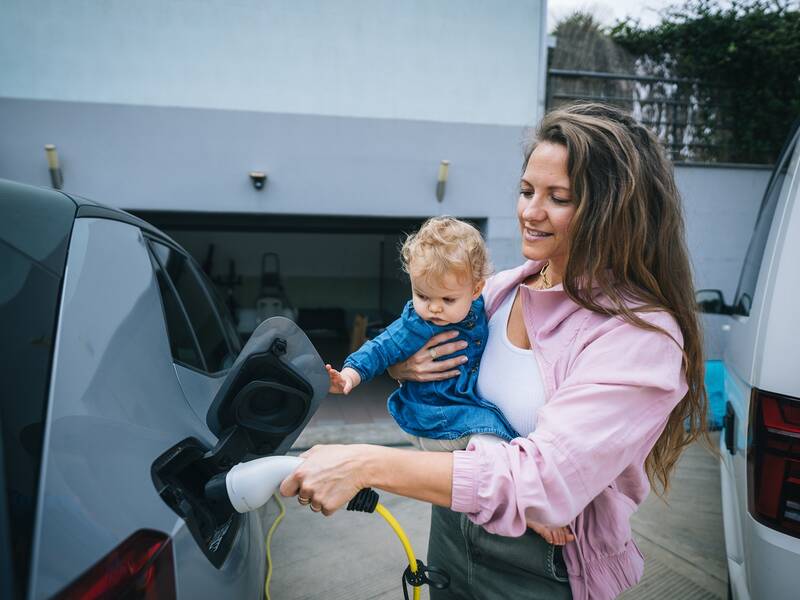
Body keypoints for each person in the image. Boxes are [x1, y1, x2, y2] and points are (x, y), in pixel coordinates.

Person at [280, 102, 708, 600]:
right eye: (527, 191)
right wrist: (403, 367)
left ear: (613, 212)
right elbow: (416, 334)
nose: (530, 211)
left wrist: (363, 463)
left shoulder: (640, 336)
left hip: (543, 564)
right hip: (452, 529)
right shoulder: (499, 291)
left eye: (559, 197)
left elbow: (544, 483)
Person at [326, 215, 572, 545]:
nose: (434, 309)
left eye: (446, 300)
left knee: (499, 437)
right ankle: (530, 510)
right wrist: (349, 375)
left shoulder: (489, 300)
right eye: (423, 295)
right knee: (492, 437)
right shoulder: (417, 322)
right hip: (433, 414)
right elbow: (381, 347)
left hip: (456, 408)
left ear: (476, 289)